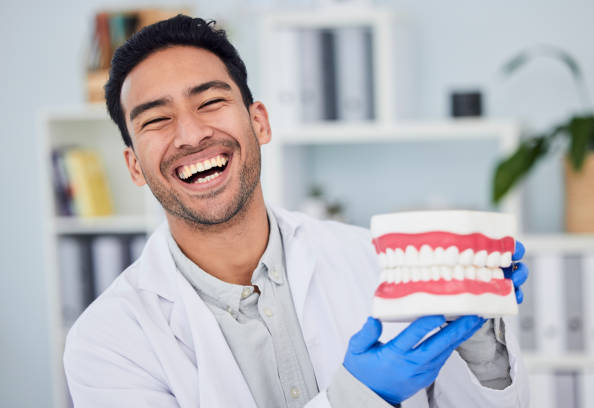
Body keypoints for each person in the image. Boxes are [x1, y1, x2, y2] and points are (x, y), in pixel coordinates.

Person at [64, 15, 530, 407]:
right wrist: (359, 396)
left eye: (210, 101)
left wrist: (479, 342)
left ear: (260, 122)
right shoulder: (107, 342)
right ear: (134, 166)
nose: (190, 135)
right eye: (157, 120)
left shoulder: (372, 261)